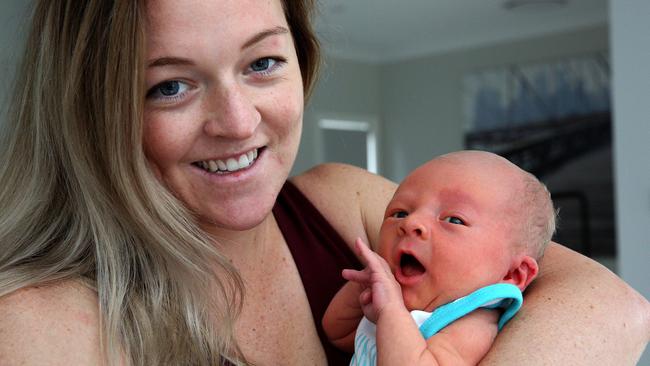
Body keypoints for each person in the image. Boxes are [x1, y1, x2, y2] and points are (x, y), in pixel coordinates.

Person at [0, 1, 648, 365]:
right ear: (92, 107)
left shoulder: (338, 200)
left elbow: (619, 307)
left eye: (262, 63)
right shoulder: (40, 323)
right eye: (170, 85)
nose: (238, 122)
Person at [323, 151, 556, 365]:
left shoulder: (470, 321)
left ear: (512, 274)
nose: (410, 223)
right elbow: (337, 332)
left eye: (454, 220)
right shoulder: (396, 304)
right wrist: (368, 286)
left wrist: (389, 311)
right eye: (400, 213)